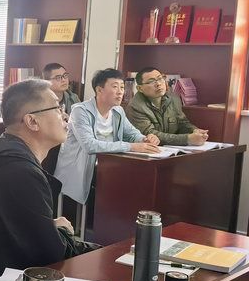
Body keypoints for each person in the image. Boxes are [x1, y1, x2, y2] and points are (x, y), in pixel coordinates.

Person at [0, 79, 95, 281]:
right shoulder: (20, 171)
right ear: (32, 121)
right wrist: (62, 230)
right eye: (58, 109)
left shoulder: (8, 157)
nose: (65, 116)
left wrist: (51, 228)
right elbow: (51, 253)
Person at [55, 68, 161, 205]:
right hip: (79, 172)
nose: (120, 92)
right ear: (99, 90)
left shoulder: (118, 110)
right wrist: (132, 147)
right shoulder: (80, 111)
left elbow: (131, 133)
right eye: (115, 87)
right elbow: (90, 145)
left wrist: (144, 139)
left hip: (105, 168)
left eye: (122, 87)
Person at [126, 67, 208, 147]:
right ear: (140, 88)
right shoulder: (135, 106)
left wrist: (195, 131)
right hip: (150, 150)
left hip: (172, 150)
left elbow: (182, 123)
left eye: (160, 78)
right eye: (151, 81)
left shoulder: (173, 98)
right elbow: (149, 134)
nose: (158, 84)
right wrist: (187, 139)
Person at [41, 63, 81, 173]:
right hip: (47, 145)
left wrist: (70, 120)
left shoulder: (73, 98)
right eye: (58, 78)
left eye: (65, 76)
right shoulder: (40, 100)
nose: (64, 80)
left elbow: (81, 123)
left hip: (68, 146)